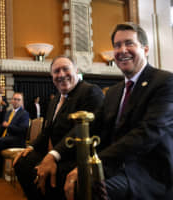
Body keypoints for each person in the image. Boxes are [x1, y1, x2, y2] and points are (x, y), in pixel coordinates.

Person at [59, 22, 173, 200]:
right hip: (115, 163)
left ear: (146, 49)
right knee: (56, 173)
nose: (122, 50)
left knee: (86, 188)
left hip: (146, 172)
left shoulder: (165, 82)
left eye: (129, 43)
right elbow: (93, 125)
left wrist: (93, 165)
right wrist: (54, 154)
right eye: (117, 45)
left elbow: (147, 134)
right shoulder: (114, 91)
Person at [13, 55, 104, 200]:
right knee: (22, 162)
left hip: (77, 156)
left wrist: (53, 155)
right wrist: (32, 147)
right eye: (56, 71)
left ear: (76, 71)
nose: (61, 74)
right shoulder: (56, 99)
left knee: (50, 175)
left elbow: (82, 131)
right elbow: (47, 130)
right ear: (52, 76)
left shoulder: (90, 91)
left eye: (66, 69)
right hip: (56, 152)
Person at [0, 92, 29, 179]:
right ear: (11, 101)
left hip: (17, 139)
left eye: (18, 100)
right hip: (5, 136)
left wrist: (9, 126)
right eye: (14, 99)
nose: (15, 101)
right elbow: (2, 125)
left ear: (21, 102)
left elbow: (23, 130)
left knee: (1, 141)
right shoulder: (9, 112)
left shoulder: (24, 113)